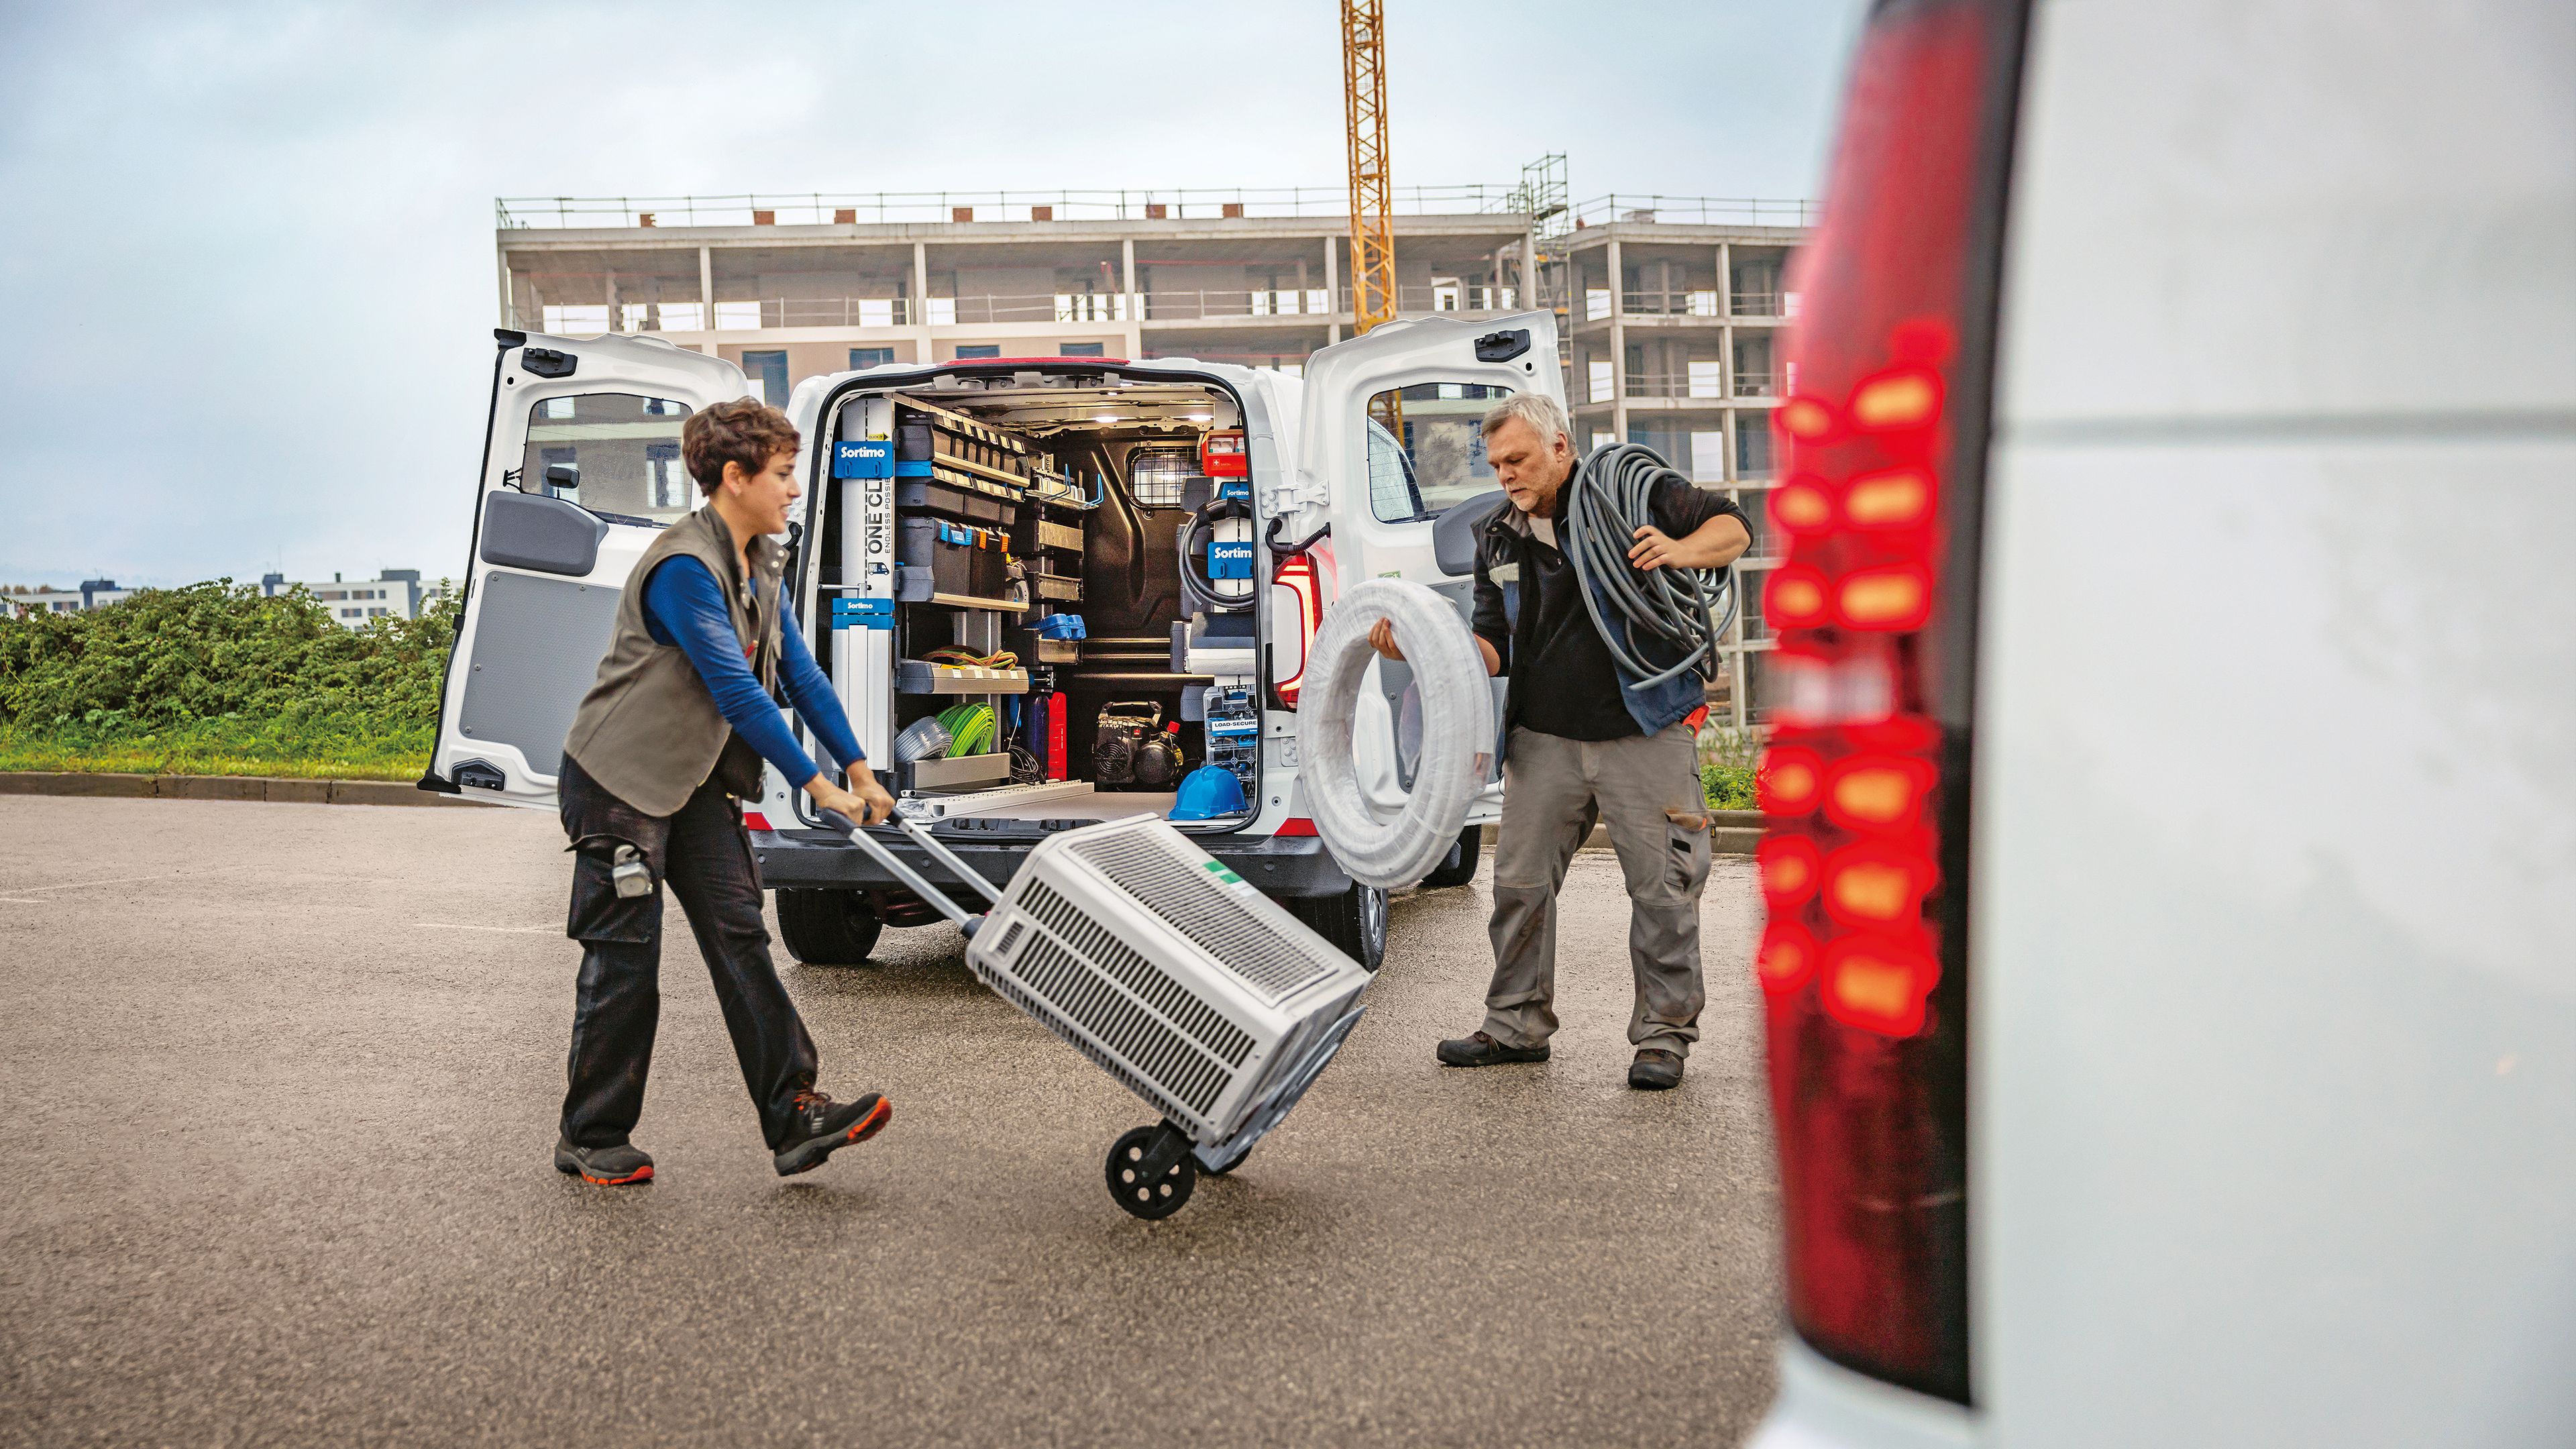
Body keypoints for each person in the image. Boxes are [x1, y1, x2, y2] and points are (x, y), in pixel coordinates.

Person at [549, 397, 899, 1185]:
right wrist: (817, 786)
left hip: (696, 780)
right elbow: (738, 692)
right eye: (783, 474)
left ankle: (795, 1115)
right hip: (619, 782)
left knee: (740, 935)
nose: (794, 489)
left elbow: (799, 675)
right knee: (626, 958)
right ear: (735, 477)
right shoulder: (684, 568)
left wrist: (858, 768)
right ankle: (592, 1135)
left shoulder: (759, 562)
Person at [1371, 394, 1748, 1090]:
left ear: (1560, 448)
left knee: (1663, 891)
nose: (1506, 475)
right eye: (1496, 464)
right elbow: (1492, 645)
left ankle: (1663, 1038)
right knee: (1518, 886)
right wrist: (1420, 645)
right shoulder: (1496, 536)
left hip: (1643, 727)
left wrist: (1679, 549)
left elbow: (1734, 528)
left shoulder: (1631, 494)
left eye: (1517, 459)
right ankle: (1515, 1026)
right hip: (1544, 736)